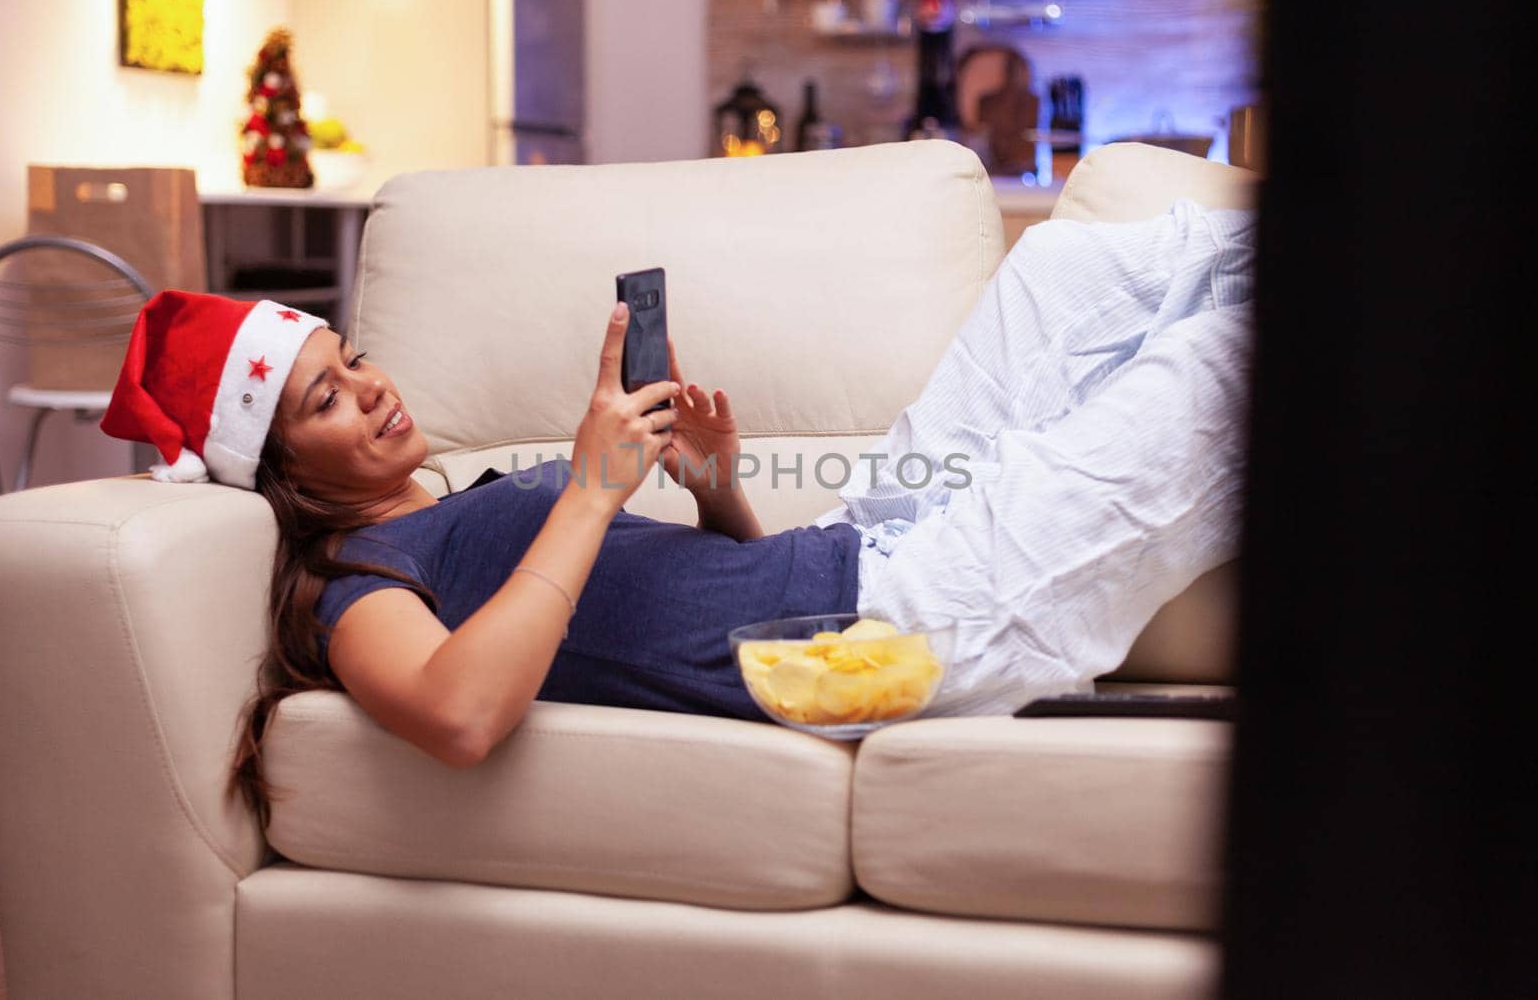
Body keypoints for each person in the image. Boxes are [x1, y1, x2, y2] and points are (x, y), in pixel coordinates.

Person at [99, 198, 1255, 830]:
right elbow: (459, 715)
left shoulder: (457, 503)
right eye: (325, 400)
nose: (373, 388)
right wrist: (595, 488)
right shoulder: (362, 584)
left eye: (352, 360)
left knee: (1061, 264)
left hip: (866, 541)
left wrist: (712, 490)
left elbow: (708, 609)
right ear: (280, 467)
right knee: (1221, 366)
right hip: (894, 631)